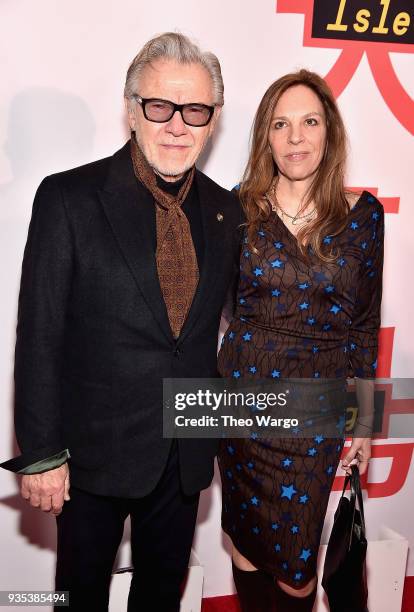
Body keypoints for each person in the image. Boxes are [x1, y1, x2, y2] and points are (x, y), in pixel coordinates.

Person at [0, 32, 240, 612]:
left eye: (195, 110)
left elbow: (232, 329)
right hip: (89, 458)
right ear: (132, 109)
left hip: (183, 454)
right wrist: (41, 454)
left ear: (212, 121)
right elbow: (39, 333)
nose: (176, 125)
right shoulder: (69, 198)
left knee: (161, 596)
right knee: (75, 599)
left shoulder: (225, 209)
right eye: (160, 106)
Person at [217, 70, 384, 611]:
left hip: (316, 415)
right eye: (280, 124)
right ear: (265, 136)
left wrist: (365, 420)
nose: (295, 138)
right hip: (243, 403)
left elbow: (363, 324)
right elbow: (224, 309)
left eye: (309, 122)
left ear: (329, 132)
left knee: (295, 566)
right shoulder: (237, 212)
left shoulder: (363, 216)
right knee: (245, 545)